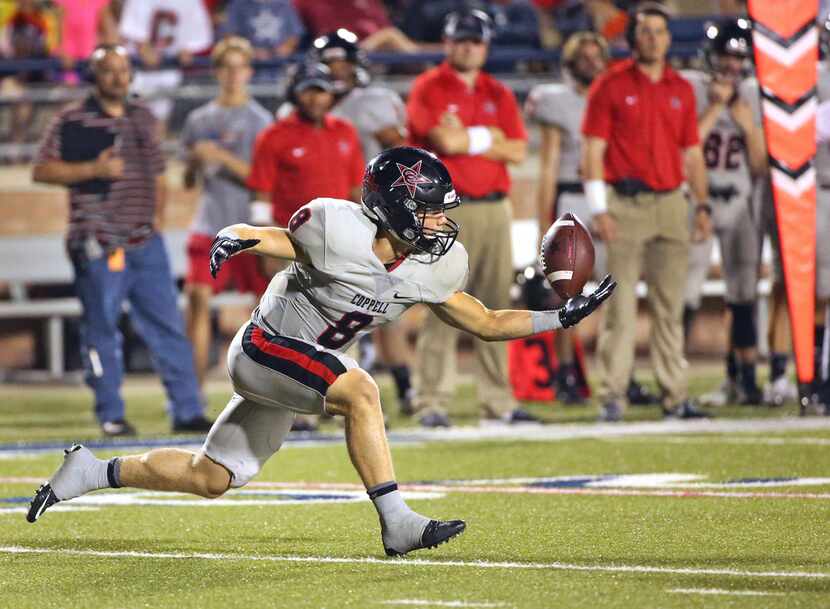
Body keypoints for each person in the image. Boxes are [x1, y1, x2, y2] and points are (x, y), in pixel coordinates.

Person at [26, 146, 616, 556]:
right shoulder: (336, 227)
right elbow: (284, 239)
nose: (441, 221)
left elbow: (483, 320)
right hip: (266, 348)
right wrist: (240, 235)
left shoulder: (434, 265)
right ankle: (397, 523)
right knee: (361, 389)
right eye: (431, 207)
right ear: (397, 207)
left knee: (212, 477)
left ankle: (92, 470)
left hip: (298, 370)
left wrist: (557, 316)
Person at [31, 45, 212, 436]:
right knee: (102, 331)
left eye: (123, 70)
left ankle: (187, 410)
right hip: (99, 243)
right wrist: (92, 169)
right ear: (93, 76)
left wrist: (158, 220)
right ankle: (110, 413)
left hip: (146, 242)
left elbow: (159, 173)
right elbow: (41, 170)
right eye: (108, 71)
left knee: (168, 327)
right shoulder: (72, 119)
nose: (117, 77)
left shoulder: (143, 116)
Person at [581, 2, 713, 422]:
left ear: (669, 39)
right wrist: (600, 209)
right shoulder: (610, 84)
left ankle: (675, 395)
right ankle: (612, 395)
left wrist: (702, 204)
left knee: (669, 307)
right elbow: (593, 152)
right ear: (632, 38)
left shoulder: (681, 88)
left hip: (673, 203)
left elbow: (692, 154)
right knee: (619, 309)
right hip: (626, 204)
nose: (653, 38)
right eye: (646, 31)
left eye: (659, 31)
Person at [408, 9, 532, 428]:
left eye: (475, 40)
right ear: (447, 42)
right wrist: (489, 137)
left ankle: (498, 400)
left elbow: (517, 151)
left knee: (496, 304)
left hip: (497, 206)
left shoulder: (498, 91)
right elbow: (443, 139)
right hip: (444, 210)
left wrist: (470, 138)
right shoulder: (429, 86)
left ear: (486, 45)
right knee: (441, 302)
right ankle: (431, 401)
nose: (468, 47)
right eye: (460, 39)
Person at [525, 30, 658, 407]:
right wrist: (543, 223)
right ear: (569, 63)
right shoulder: (557, 100)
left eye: (596, 55)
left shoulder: (619, 94)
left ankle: (621, 372)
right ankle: (567, 373)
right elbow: (549, 166)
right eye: (582, 56)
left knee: (618, 287)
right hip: (572, 196)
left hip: (613, 197)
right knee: (568, 292)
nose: (591, 63)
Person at [247, 61, 365, 431]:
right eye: (309, 89)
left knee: (345, 322)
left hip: (343, 244)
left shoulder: (345, 131)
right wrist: (263, 248)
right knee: (291, 326)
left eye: (322, 89)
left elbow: (355, 193)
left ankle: (344, 399)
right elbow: (261, 196)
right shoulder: (274, 136)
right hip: (293, 245)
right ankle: (292, 408)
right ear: (294, 93)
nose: (317, 97)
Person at [309, 29, 416, 414]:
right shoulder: (305, 105)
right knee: (329, 308)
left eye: (342, 62)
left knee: (383, 303)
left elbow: (400, 154)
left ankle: (405, 386)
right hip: (326, 219)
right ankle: (327, 391)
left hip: (372, 217)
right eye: (329, 63)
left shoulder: (372, 101)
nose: (336, 70)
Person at [682, 18, 767, 407]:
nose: (733, 65)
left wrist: (747, 124)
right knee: (686, 290)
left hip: (740, 199)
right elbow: (687, 147)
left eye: (739, 57)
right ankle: (674, 376)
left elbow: (760, 163)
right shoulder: (692, 90)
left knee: (743, 292)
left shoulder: (752, 93)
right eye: (726, 56)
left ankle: (744, 377)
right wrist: (716, 108)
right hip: (697, 197)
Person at [180, 36, 272, 388]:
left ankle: (269, 388)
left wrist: (221, 157)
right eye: (226, 67)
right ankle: (192, 393)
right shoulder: (198, 119)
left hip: (250, 228)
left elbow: (262, 180)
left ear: (248, 72)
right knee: (197, 299)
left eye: (240, 67)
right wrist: (193, 161)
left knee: (269, 307)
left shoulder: (262, 121)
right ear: (216, 71)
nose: (234, 75)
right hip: (209, 222)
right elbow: (189, 180)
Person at [118, 0, 213, 130]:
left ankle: (154, 150)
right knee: (131, 120)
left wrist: (187, 49)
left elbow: (198, 34)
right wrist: (142, 45)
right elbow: (129, 29)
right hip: (138, 70)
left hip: (169, 71)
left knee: (159, 122)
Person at [223, 0, 305, 62]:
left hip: (280, 64)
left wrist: (282, 50)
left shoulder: (284, 4)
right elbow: (230, 35)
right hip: (247, 64)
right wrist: (250, 51)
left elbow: (295, 35)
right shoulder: (237, 5)